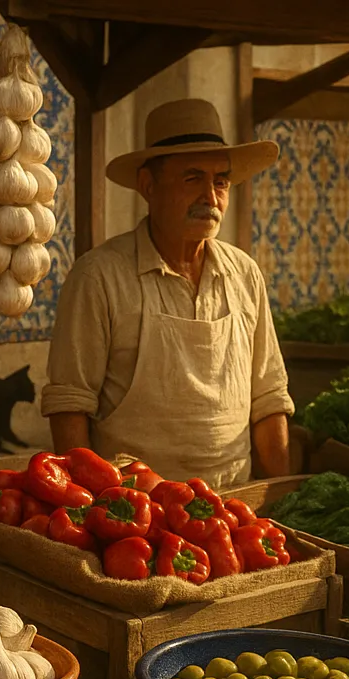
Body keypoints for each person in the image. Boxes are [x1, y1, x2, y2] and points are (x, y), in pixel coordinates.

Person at [41, 99, 295, 490]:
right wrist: (91, 508)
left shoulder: (244, 274)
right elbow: (70, 405)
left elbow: (269, 398)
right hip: (137, 516)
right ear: (148, 185)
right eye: (193, 178)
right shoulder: (99, 276)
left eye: (221, 181)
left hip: (234, 505)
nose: (211, 197)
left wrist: (280, 496)